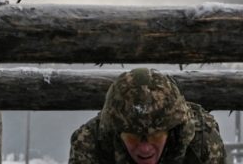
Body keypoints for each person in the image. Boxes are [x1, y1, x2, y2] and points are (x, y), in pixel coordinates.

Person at [69, 68, 226, 164]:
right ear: (117, 132)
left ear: (172, 131)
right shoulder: (90, 144)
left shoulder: (203, 144)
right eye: (133, 137)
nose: (145, 149)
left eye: (155, 136)